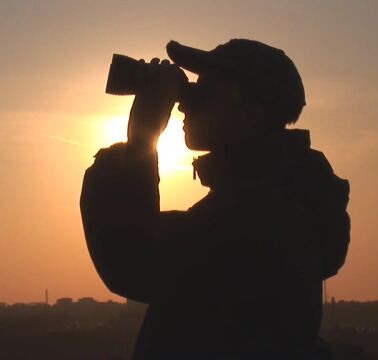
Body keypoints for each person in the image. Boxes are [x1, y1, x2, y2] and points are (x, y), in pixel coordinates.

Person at [80, 39, 350, 360]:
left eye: (205, 93)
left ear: (251, 116)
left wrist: (140, 141)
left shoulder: (261, 212)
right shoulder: (279, 197)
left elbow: (136, 262)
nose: (185, 103)